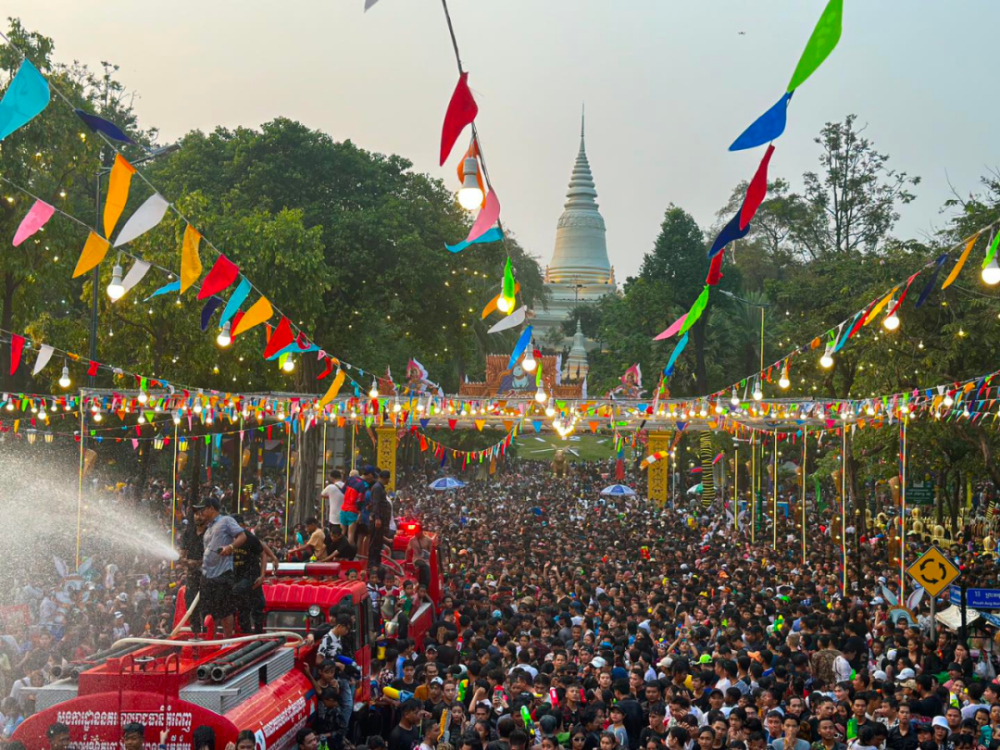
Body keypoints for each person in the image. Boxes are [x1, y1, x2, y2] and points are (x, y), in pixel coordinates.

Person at [194, 496, 247, 638]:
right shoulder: (208, 527)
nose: (200, 514)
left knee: (224, 610)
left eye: (202, 510)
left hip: (222, 572)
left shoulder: (226, 520)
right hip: (207, 574)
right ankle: (211, 638)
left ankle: (227, 640)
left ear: (211, 508)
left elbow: (242, 536)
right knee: (208, 610)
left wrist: (230, 547)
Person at [232, 513, 278, 635]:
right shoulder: (227, 537)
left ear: (241, 526)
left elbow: (262, 551)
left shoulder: (249, 537)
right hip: (237, 576)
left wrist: (262, 575)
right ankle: (246, 634)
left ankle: (258, 633)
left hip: (252, 576)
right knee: (242, 607)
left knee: (256, 604)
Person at [369, 470, 393, 571]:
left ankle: (377, 562)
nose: (389, 481)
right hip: (378, 518)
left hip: (382, 518)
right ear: (385, 478)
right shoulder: (378, 488)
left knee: (379, 542)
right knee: (375, 542)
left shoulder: (379, 487)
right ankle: (372, 563)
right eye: (388, 478)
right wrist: (377, 518)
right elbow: (376, 503)